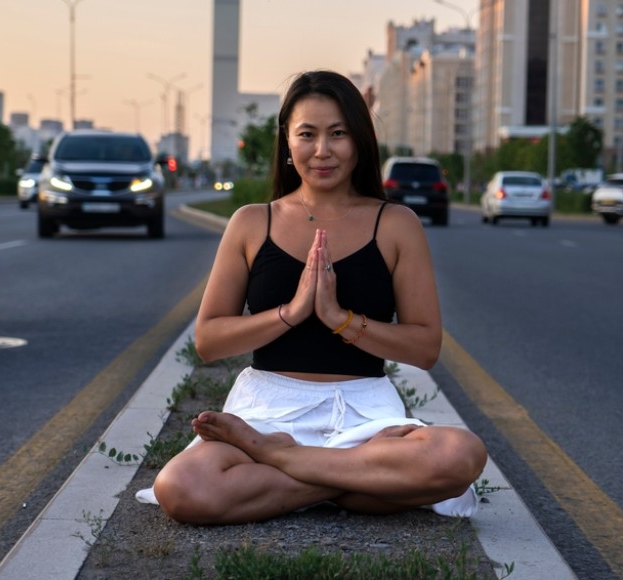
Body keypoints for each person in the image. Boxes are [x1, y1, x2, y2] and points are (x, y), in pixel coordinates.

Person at [145, 70, 487, 525]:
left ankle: (279, 459)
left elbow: (425, 348)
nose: (322, 150)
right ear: (287, 142)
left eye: (338, 134)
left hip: (365, 414)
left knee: (461, 455)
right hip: (267, 410)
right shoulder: (252, 222)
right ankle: (357, 483)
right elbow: (208, 341)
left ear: (360, 141)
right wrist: (292, 312)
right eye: (307, 134)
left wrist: (338, 318)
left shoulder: (396, 224)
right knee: (181, 487)